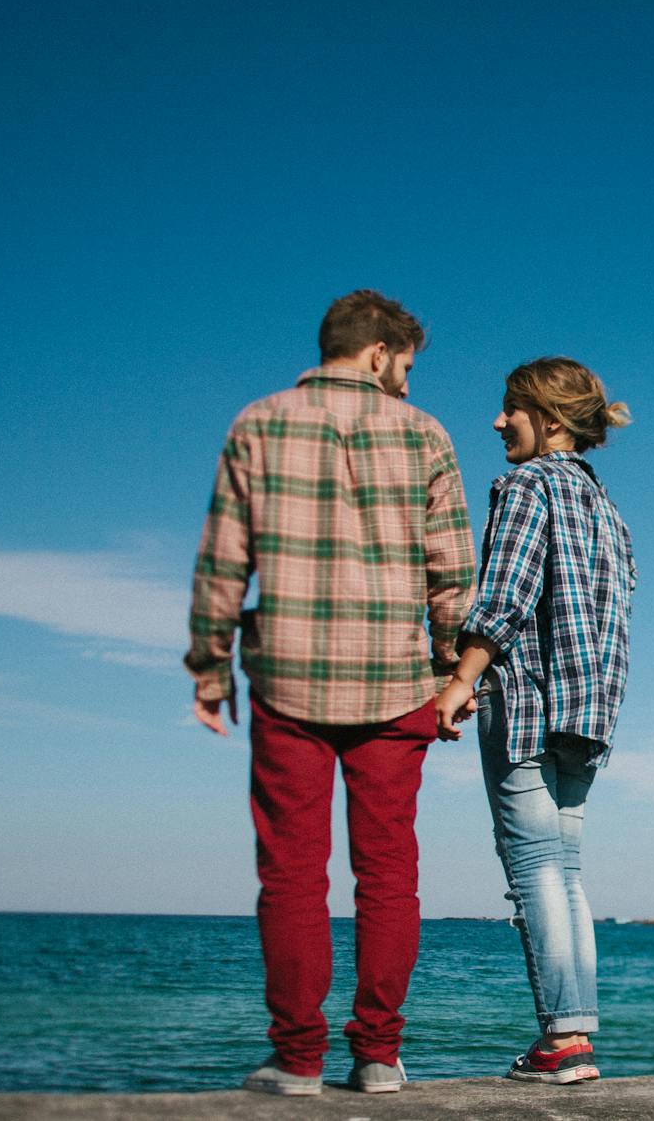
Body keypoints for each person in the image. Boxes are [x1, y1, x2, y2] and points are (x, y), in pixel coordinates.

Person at [184, 290, 475, 1096]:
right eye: (407, 366)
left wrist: (210, 670)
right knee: (389, 875)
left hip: (288, 680)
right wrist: (458, 673)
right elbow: (453, 572)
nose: (409, 385)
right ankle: (378, 1055)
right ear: (378, 352)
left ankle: (298, 1060)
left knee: (291, 873)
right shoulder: (426, 436)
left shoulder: (257, 423)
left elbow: (221, 561)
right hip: (398, 684)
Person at [432, 357, 635, 1085]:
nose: (496, 421)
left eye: (509, 408)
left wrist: (461, 678)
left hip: (526, 709)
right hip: (588, 715)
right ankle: (574, 1035)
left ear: (548, 418)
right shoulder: (608, 509)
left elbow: (510, 592)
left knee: (534, 874)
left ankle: (563, 1038)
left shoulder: (527, 485)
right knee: (566, 872)